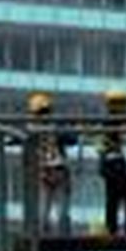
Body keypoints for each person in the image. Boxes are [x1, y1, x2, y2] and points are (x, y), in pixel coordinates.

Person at [28, 92, 77, 236]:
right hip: (59, 167)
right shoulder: (55, 125)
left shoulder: (31, 128)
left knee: (44, 204)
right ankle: (63, 233)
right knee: (62, 204)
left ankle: (43, 233)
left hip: (43, 169)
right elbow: (72, 139)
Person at [99, 89, 126, 236]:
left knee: (113, 196)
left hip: (109, 163)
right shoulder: (114, 120)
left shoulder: (111, 119)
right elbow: (115, 142)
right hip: (114, 162)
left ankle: (112, 228)